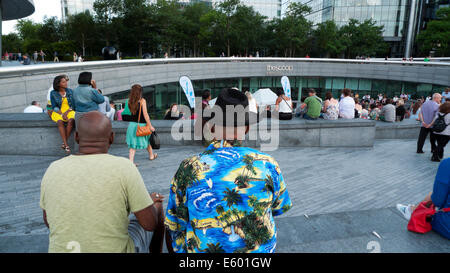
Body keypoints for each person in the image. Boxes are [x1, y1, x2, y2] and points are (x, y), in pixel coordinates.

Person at [165, 88, 292, 253]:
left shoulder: (188, 167)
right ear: (246, 128)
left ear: (211, 127)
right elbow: (278, 207)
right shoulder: (268, 165)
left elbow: (175, 222)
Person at [40, 111, 166, 253]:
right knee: (157, 206)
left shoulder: (53, 169)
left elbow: (49, 221)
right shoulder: (124, 167)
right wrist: (146, 202)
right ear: (111, 138)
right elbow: (149, 224)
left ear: (76, 137)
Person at [396, 158, 450, 239]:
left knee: (436, 193)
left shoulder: (447, 163)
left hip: (447, 223)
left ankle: (412, 211)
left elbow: (437, 200)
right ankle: (412, 210)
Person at [126, 84, 157, 165]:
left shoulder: (129, 101)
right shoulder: (142, 101)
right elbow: (145, 114)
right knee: (147, 140)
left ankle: (131, 161)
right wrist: (150, 126)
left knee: (133, 145)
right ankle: (151, 156)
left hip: (132, 125)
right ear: (140, 92)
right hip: (141, 126)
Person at [49, 75, 76, 153]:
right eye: (63, 82)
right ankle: (66, 145)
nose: (66, 83)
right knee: (60, 122)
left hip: (69, 110)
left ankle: (64, 143)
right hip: (58, 111)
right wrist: (61, 114)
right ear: (58, 84)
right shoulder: (53, 93)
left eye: (66, 81)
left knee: (71, 120)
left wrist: (66, 112)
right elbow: (54, 106)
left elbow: (73, 105)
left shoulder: (70, 91)